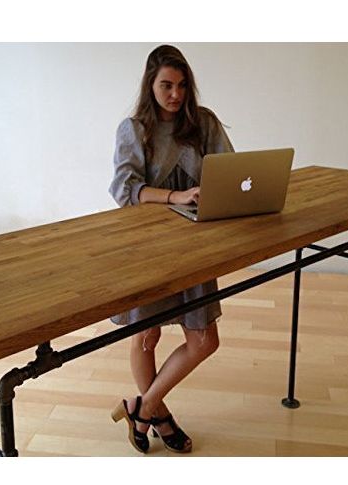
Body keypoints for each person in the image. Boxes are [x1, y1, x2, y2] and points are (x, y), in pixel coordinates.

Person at [109, 44, 234, 454]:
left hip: (195, 244)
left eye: (182, 85)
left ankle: (141, 408)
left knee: (204, 340)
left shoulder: (204, 123)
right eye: (166, 85)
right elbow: (124, 190)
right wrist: (174, 198)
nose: (175, 94)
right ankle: (158, 415)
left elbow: (231, 174)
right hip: (147, 247)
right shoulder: (134, 130)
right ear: (151, 84)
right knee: (147, 335)